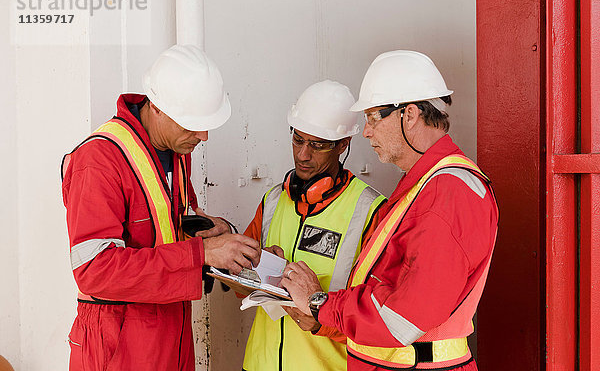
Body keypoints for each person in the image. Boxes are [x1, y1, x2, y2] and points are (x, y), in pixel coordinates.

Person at [282, 51, 499, 370]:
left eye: (372, 118)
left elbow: (402, 318)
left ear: (408, 115)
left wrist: (320, 303)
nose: (366, 132)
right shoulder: (424, 186)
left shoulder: (447, 194)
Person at [61, 45, 261, 371]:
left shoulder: (176, 150)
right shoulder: (99, 161)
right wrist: (202, 254)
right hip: (119, 345)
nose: (203, 135)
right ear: (156, 108)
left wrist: (208, 229)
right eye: (191, 124)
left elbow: (165, 225)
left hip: (171, 330)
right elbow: (94, 271)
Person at [242, 80, 386, 371]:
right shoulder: (272, 200)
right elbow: (239, 284)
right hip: (260, 364)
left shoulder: (371, 211)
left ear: (343, 144)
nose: (303, 155)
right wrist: (253, 265)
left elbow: (380, 318)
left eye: (317, 145)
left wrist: (320, 319)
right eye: (298, 140)